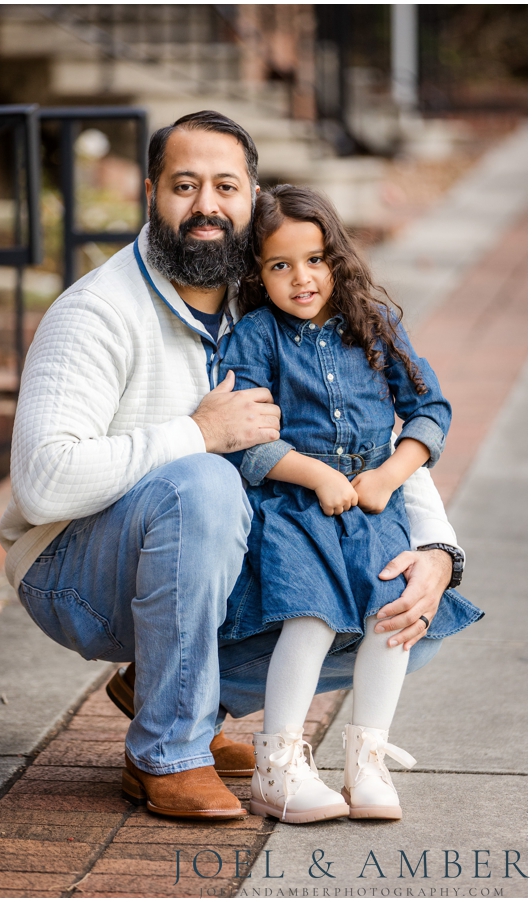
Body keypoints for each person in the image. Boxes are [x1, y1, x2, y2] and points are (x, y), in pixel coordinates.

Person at [0, 110, 465, 821]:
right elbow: (41, 484)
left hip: (195, 551)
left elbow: (363, 431)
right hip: (71, 570)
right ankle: (171, 749)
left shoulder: (274, 298)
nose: (206, 206)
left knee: (398, 614)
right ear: (151, 194)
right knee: (206, 484)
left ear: (253, 201)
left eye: (225, 187)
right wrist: (196, 433)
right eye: (184, 186)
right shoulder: (97, 312)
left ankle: (182, 693)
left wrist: (433, 550)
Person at [218, 185, 482, 823]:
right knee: (309, 620)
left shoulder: (375, 325)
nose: (301, 278)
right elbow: (245, 440)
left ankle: (366, 763)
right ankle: (278, 765)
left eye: (314, 259)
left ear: (336, 257)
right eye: (280, 265)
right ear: (258, 274)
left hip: (374, 509)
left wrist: (389, 476)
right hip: (295, 511)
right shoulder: (257, 337)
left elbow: (429, 410)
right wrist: (312, 474)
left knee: (390, 622)